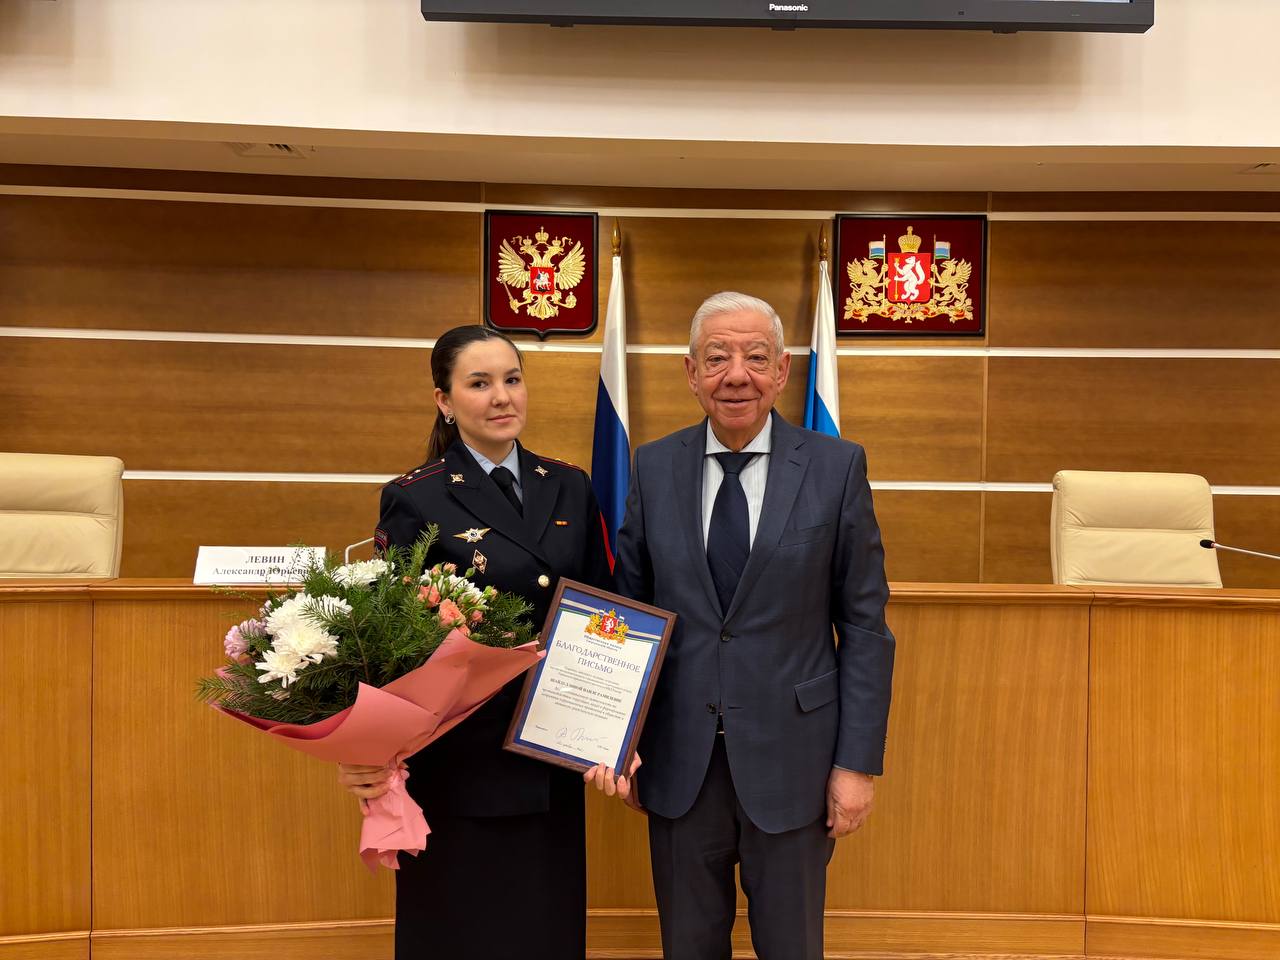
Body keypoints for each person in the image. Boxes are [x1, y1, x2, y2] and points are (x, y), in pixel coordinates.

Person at [607, 291, 896, 960]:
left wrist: (856, 765)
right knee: (687, 947)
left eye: (756, 358)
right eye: (717, 358)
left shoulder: (835, 468)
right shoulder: (653, 466)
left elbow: (864, 627)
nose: (736, 375)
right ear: (690, 373)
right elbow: (629, 611)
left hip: (795, 763)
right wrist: (617, 737)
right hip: (679, 763)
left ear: (783, 370)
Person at [338, 325, 614, 960]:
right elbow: (392, 643)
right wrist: (369, 750)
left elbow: (603, 609)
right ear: (445, 400)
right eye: (479, 383)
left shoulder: (568, 484)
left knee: (545, 929)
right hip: (460, 760)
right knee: (461, 931)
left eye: (512, 379)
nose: (501, 397)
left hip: (551, 749)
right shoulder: (416, 496)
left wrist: (611, 730)